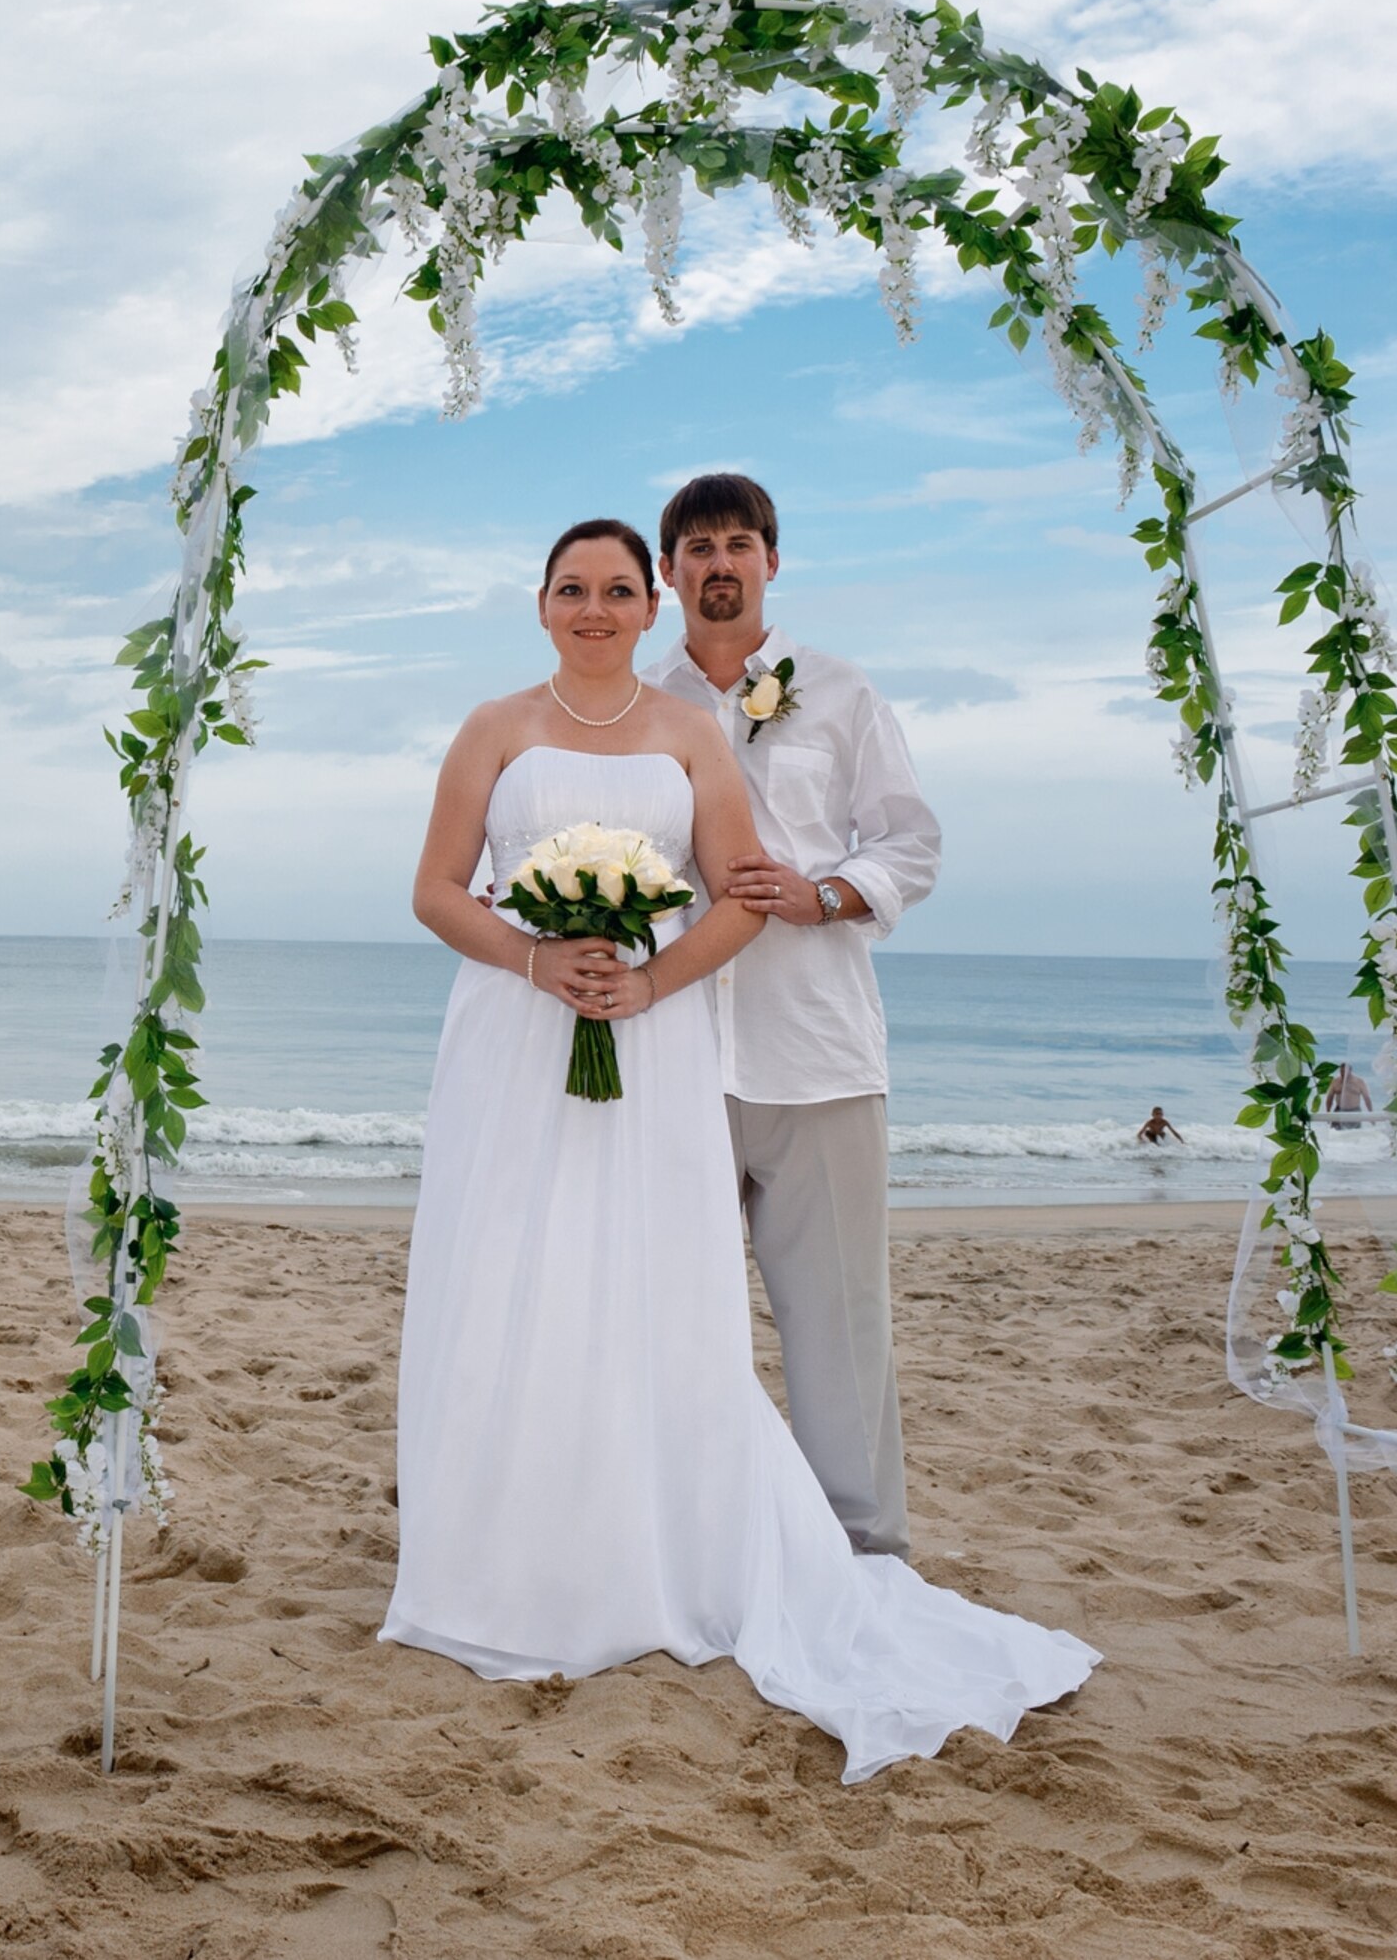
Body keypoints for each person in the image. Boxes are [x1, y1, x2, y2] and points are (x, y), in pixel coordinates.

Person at [379, 516, 1094, 1781]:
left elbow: (740, 892)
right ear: (539, 602)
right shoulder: (492, 726)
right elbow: (439, 888)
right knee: (511, 1277)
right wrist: (536, 955)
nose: (594, 607)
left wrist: (648, 988)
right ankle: (504, 1544)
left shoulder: (692, 732)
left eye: (616, 588)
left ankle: (685, 1542)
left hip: (654, 1049)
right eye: (571, 588)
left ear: (651, 601)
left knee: (652, 1296)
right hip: (510, 1036)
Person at [647, 473, 939, 1562]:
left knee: (840, 1321)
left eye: (738, 543)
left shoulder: (843, 692)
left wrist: (822, 895)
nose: (718, 563)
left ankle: (864, 1547)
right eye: (697, 546)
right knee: (675, 1315)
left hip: (816, 1046)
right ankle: (691, 1538)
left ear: (772, 559)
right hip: (673, 1050)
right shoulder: (640, 703)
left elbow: (910, 840)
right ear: (670, 570)